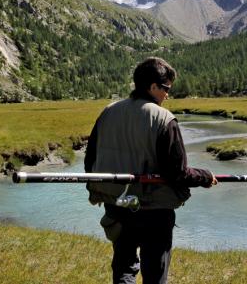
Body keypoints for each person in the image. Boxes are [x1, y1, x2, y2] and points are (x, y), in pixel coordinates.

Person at [84, 57, 217, 284]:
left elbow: (90, 162)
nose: (167, 95)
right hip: (155, 211)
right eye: (166, 89)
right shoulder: (163, 118)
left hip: (117, 205)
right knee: (155, 273)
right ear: (153, 87)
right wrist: (205, 177)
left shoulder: (107, 112)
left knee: (124, 267)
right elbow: (177, 173)